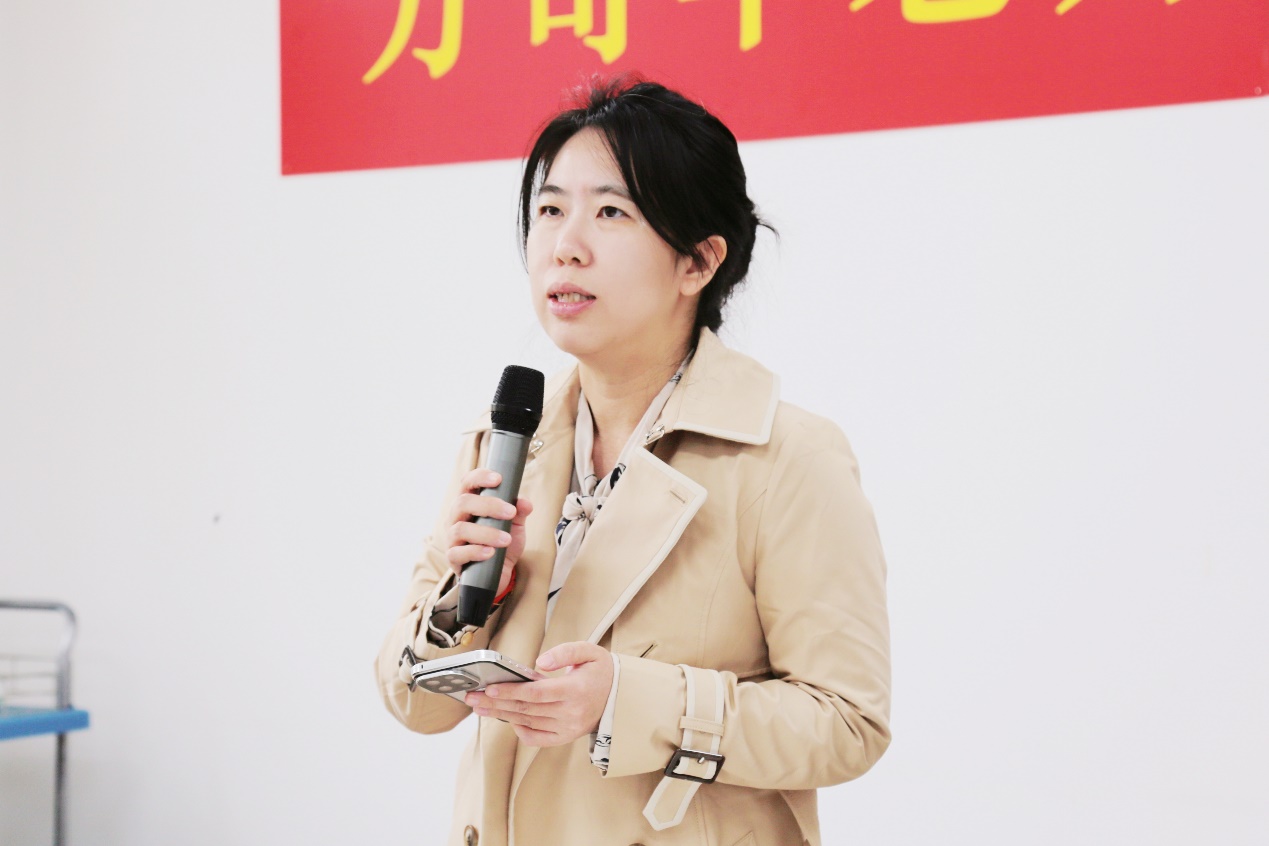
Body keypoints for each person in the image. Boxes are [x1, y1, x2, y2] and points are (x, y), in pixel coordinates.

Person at [375, 77, 891, 846]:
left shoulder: (787, 459)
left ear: (697, 262)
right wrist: (462, 602)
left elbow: (847, 722)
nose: (565, 245)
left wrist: (630, 700)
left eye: (610, 212)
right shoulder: (503, 445)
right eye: (550, 210)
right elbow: (414, 704)